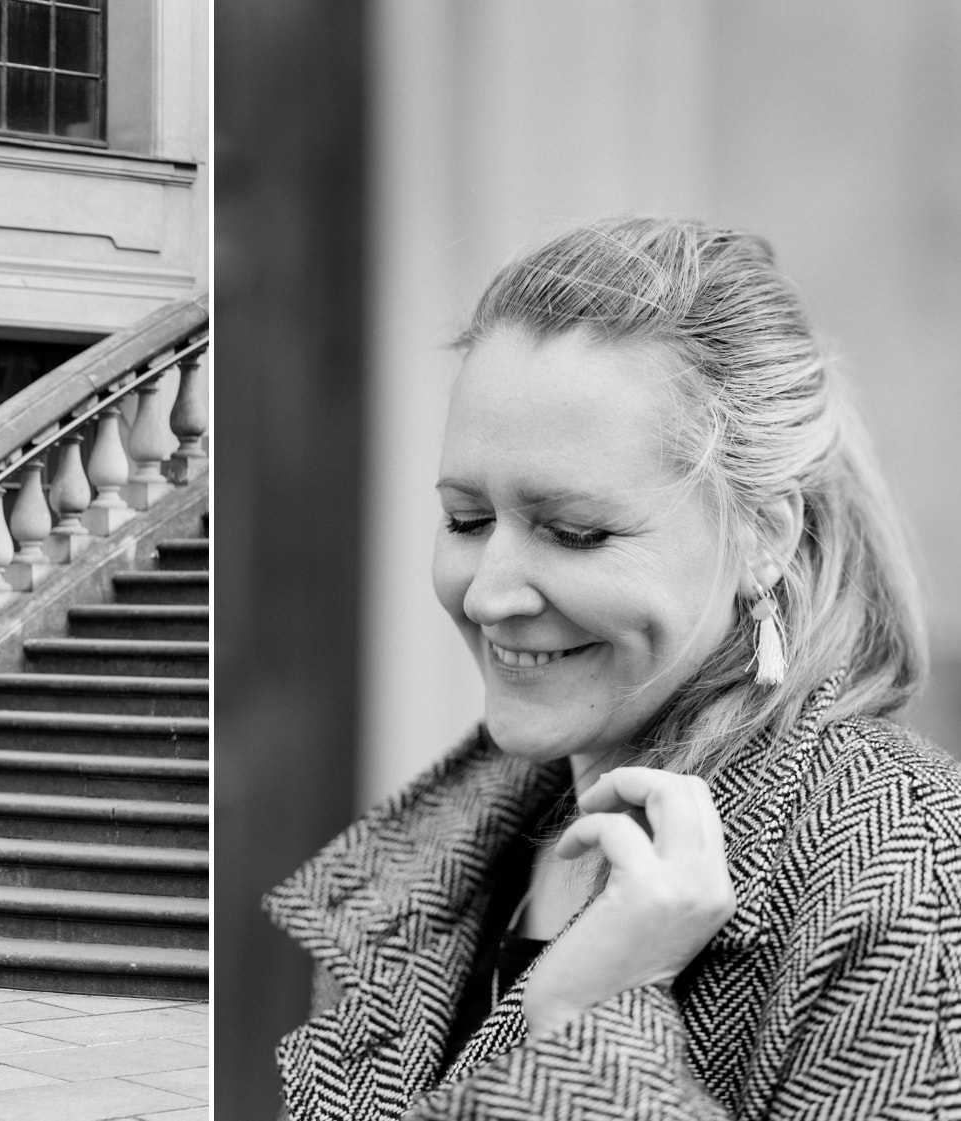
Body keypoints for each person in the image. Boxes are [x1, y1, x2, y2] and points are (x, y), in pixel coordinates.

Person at [265, 217, 961, 1119]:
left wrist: (588, 1024)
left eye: (575, 532)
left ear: (764, 536)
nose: (488, 594)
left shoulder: (908, 882)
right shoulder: (439, 863)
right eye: (467, 520)